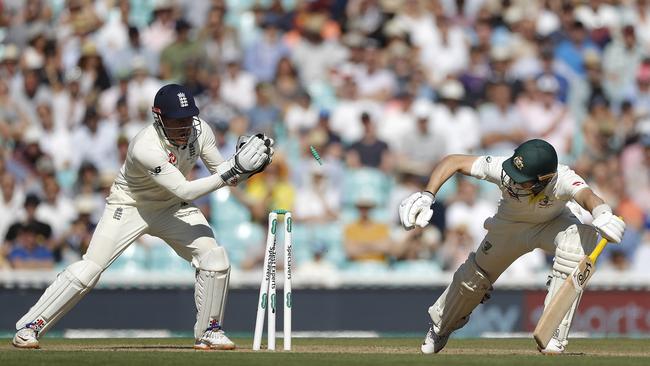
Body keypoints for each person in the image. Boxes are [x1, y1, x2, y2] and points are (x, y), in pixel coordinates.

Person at [11, 84, 275, 350]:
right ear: (159, 118)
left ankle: (209, 330)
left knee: (215, 257)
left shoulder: (200, 131)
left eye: (188, 118)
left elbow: (224, 174)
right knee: (90, 268)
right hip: (130, 206)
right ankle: (30, 326)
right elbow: (187, 187)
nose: (184, 127)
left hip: (172, 206)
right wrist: (232, 170)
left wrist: (247, 169)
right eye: (177, 120)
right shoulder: (145, 146)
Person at [398, 139, 625, 354]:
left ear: (544, 179)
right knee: (473, 280)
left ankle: (554, 333)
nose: (513, 181)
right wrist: (428, 195)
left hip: (553, 224)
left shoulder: (562, 178)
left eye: (522, 179)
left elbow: (588, 196)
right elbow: (454, 161)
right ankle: (441, 327)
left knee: (580, 239)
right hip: (509, 228)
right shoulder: (504, 168)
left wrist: (602, 213)